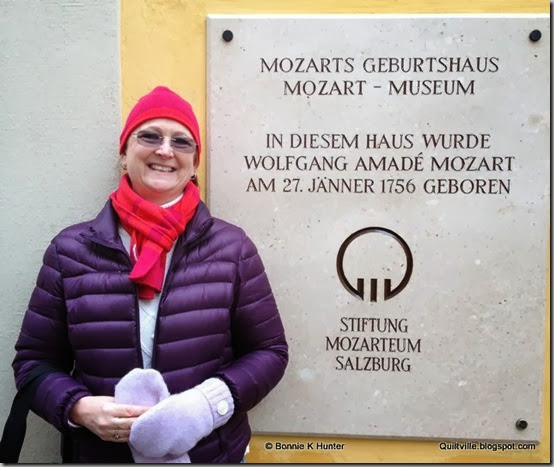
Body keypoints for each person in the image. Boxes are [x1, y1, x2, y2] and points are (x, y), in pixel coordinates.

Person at [12, 86, 288, 463]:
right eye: (150, 136)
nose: (165, 150)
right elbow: (33, 362)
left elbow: (269, 351)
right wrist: (77, 408)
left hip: (211, 454)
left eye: (181, 141)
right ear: (124, 155)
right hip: (100, 456)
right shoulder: (70, 251)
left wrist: (208, 405)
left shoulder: (232, 248)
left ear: (194, 163)